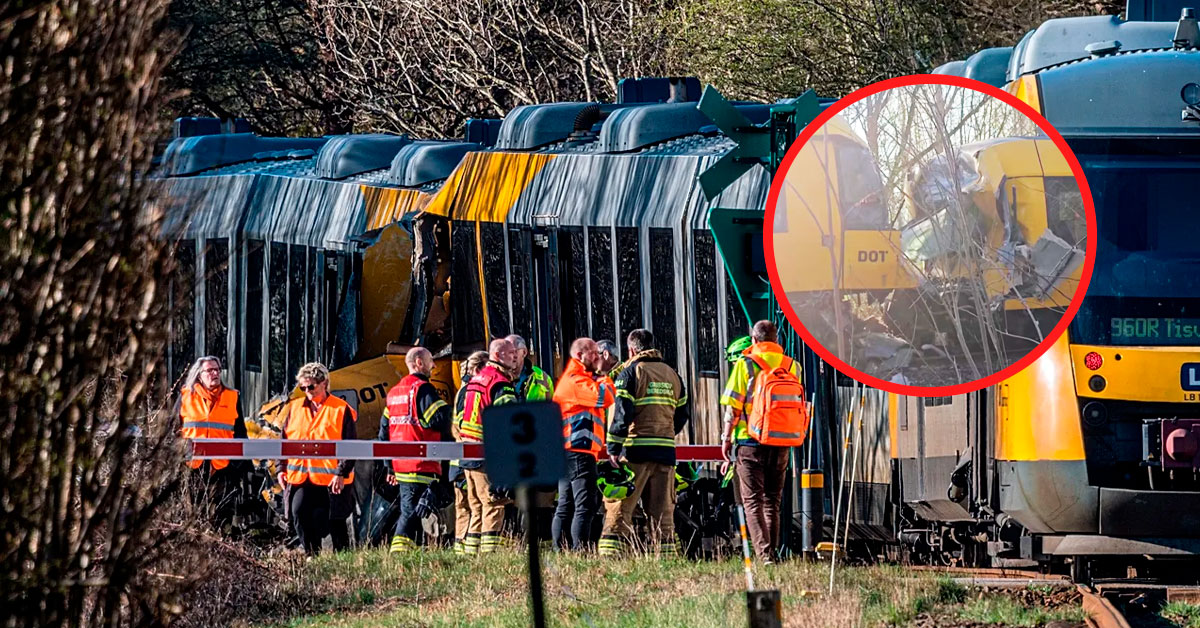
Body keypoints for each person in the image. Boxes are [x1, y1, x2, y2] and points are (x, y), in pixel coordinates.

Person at [599, 329, 689, 557]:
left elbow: (622, 414)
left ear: (631, 349)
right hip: (665, 452)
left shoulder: (630, 373)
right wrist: (666, 433)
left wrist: (613, 448)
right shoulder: (672, 374)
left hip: (635, 451)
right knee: (662, 511)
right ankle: (665, 556)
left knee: (621, 505)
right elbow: (682, 414)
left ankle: (611, 555)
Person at [719, 320, 800, 564]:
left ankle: (764, 555)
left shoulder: (746, 364)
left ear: (754, 340)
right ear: (776, 341)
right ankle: (771, 553)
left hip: (749, 442)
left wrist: (726, 439)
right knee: (772, 502)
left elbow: (733, 407)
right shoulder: (791, 365)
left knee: (752, 501)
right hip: (781, 442)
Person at [275, 362, 357, 555]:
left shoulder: (340, 409)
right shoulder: (294, 408)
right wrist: (281, 468)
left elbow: (350, 446)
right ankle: (312, 554)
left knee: (334, 521)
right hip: (300, 477)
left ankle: (343, 562)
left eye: (311, 386)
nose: (307, 391)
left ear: (324, 383)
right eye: (303, 387)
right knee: (298, 513)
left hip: (332, 478)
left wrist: (341, 473)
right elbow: (283, 441)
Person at [380, 347, 452, 554]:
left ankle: (414, 552)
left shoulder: (394, 393)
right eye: (431, 361)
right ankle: (399, 554)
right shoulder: (423, 389)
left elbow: (383, 433)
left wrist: (389, 467)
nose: (434, 365)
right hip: (421, 463)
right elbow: (439, 419)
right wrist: (453, 410)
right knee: (411, 513)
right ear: (419, 362)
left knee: (417, 509)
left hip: (402, 465)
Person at [551, 337, 615, 551]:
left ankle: (561, 549)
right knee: (584, 506)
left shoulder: (578, 379)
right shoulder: (575, 381)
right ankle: (580, 551)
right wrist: (605, 376)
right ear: (580, 355)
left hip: (570, 452)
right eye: (594, 353)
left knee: (566, 505)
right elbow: (604, 398)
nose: (598, 357)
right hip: (578, 451)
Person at [458, 338, 519, 553]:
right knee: (494, 504)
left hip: (468, 451)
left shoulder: (477, 379)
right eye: (511, 353)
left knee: (476, 506)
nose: (515, 357)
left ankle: (470, 553)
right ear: (499, 355)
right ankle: (489, 556)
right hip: (487, 453)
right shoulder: (500, 382)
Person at [176, 356, 247, 529]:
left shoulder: (232, 397)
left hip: (222, 467)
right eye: (210, 370)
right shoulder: (186, 396)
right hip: (192, 466)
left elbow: (240, 433)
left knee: (221, 516)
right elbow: (173, 430)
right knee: (193, 516)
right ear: (199, 375)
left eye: (217, 370)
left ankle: (220, 548)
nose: (215, 373)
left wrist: (239, 466)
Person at [450, 350, 489, 555]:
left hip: (460, 460)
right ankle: (472, 550)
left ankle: (462, 551)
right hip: (470, 458)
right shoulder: (473, 390)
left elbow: (456, 427)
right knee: (477, 506)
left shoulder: (462, 390)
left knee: (465, 508)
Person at [506, 334, 554, 401]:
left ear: (524, 352)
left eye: (514, 351)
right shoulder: (497, 377)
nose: (510, 356)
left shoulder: (543, 377)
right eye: (506, 353)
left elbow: (551, 406)